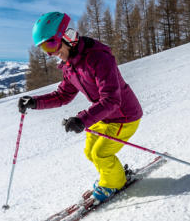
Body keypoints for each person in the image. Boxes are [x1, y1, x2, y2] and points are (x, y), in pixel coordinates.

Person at [18, 11, 143, 202]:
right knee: (89, 151)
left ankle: (114, 183)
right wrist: (35, 102)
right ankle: (110, 176)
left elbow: (111, 99)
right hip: (104, 116)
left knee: (101, 153)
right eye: (44, 49)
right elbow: (63, 95)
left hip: (124, 117)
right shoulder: (70, 66)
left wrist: (82, 119)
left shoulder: (99, 58)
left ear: (67, 36)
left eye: (51, 44)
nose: (51, 54)